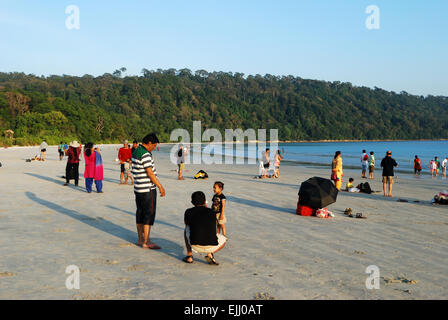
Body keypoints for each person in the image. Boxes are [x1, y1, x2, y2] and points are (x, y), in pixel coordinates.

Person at [131, 133, 166, 249]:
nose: (154, 148)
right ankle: (146, 241)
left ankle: (140, 239)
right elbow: (150, 173)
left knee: (140, 213)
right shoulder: (145, 154)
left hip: (138, 188)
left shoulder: (136, 151)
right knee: (148, 214)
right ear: (150, 143)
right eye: (154, 145)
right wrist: (160, 186)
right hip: (147, 189)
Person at [183, 191, 227, 265]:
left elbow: (186, 224)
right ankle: (210, 254)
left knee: (186, 229)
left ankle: (189, 256)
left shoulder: (188, 211)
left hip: (195, 245)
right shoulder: (212, 212)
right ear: (205, 201)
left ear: (192, 202)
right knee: (224, 239)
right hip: (212, 246)